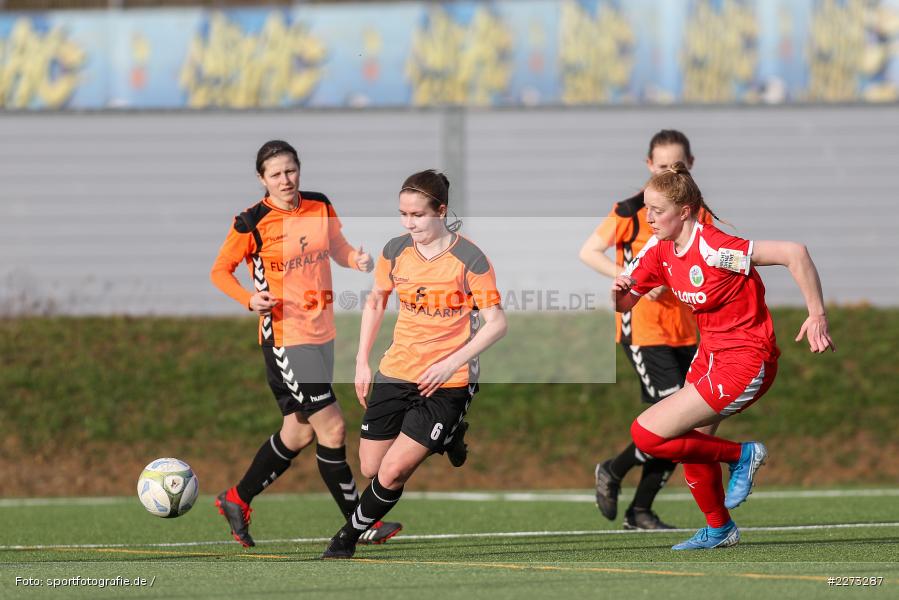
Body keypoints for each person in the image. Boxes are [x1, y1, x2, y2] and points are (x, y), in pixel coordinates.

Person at [613, 162, 835, 550]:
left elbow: (794, 253)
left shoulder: (715, 248)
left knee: (646, 433)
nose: (649, 218)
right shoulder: (663, 252)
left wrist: (817, 314)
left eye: (657, 210)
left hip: (747, 359)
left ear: (684, 211)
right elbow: (626, 302)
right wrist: (620, 290)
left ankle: (742, 454)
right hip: (710, 357)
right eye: (646, 209)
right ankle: (720, 529)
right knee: (688, 445)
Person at [210, 140, 402, 547]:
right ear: (262, 179)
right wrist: (248, 298)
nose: (285, 179)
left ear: (299, 170)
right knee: (331, 427)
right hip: (285, 339)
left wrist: (356, 260)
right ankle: (360, 523)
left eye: (291, 170)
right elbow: (220, 271)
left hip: (322, 334)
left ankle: (236, 499)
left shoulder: (319, 205)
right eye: (276, 173)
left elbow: (336, 247)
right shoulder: (251, 221)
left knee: (298, 433)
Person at [320, 169, 508, 559]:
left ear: (440, 211)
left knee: (392, 473)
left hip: (448, 380)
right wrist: (361, 361)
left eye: (418, 215)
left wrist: (451, 363)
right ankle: (449, 438)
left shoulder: (469, 258)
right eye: (403, 214)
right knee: (371, 467)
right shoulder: (395, 250)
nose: (410, 223)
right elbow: (376, 300)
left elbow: (497, 324)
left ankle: (346, 539)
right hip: (397, 369)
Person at [580, 130, 704, 530]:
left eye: (678, 167)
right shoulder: (631, 210)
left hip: (686, 329)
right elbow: (588, 252)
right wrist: (630, 279)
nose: (670, 172)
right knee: (675, 420)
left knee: (683, 425)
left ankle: (638, 506)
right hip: (646, 332)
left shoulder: (693, 212)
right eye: (663, 165)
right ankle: (615, 473)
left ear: (691, 167)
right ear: (648, 166)